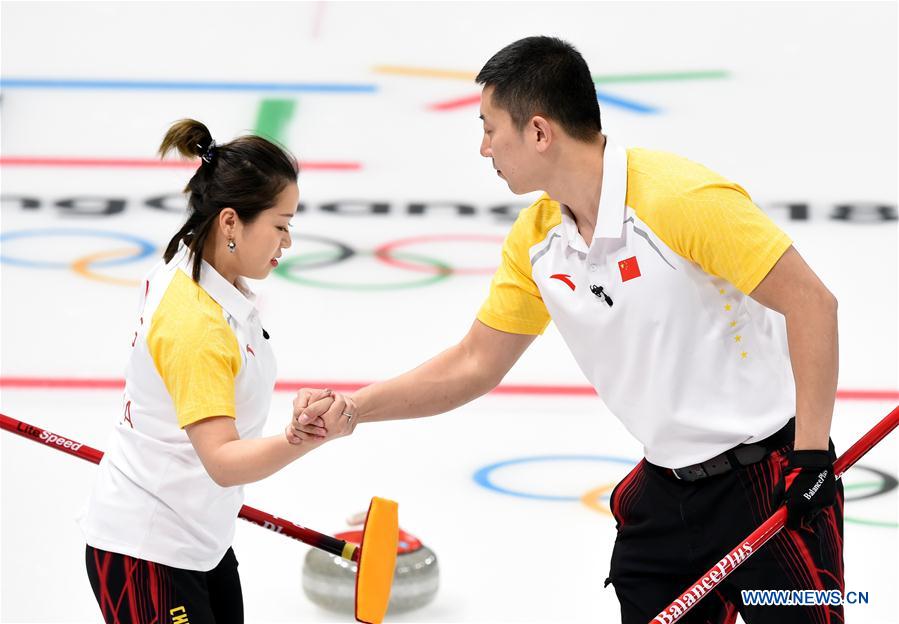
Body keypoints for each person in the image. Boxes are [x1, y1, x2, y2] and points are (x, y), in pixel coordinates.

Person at [291, 37, 843, 623]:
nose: (483, 148)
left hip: (774, 484)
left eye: (488, 128)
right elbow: (475, 362)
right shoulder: (537, 242)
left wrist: (810, 458)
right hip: (665, 497)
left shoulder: (683, 200)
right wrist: (355, 410)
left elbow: (812, 305)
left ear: (538, 131)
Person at [78, 119, 355, 624]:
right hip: (150, 548)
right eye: (281, 224)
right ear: (230, 222)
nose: (288, 241)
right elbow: (223, 461)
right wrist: (305, 436)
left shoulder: (204, 274)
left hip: (198, 540)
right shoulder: (196, 323)